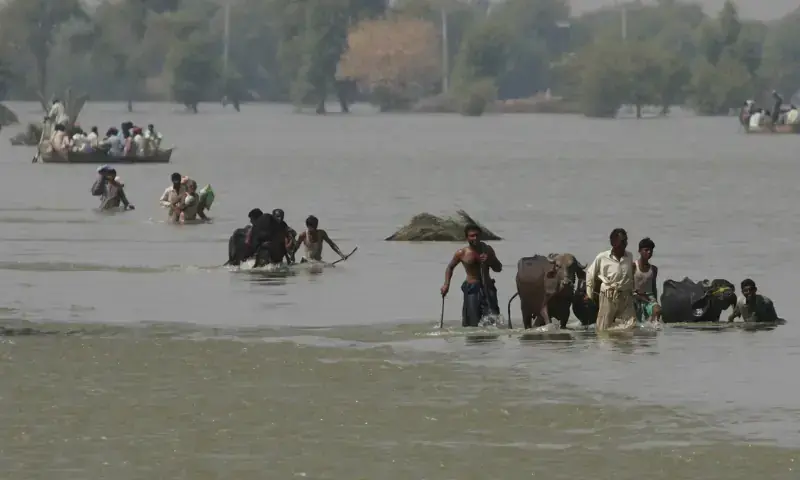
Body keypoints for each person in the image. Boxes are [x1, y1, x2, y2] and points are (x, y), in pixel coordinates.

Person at [440, 224, 502, 327]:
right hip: (472, 289)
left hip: (488, 288)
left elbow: (498, 268)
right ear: (467, 237)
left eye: (477, 235)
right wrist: (446, 285)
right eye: (472, 236)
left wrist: (490, 260)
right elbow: (450, 267)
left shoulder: (487, 250)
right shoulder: (462, 253)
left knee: (493, 320)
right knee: (472, 323)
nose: (475, 238)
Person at [584, 228, 636, 331]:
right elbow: (590, 274)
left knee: (631, 324)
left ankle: (619, 337)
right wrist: (589, 295)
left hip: (625, 296)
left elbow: (630, 276)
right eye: (622, 241)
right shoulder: (602, 257)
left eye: (626, 241)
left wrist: (633, 291)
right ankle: (608, 339)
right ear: (613, 243)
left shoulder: (629, 256)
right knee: (604, 327)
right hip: (608, 295)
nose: (625, 244)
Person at [633, 237, 662, 325]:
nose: (649, 252)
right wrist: (636, 294)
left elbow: (653, 287)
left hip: (649, 298)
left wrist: (656, 302)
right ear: (639, 251)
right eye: (646, 250)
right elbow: (628, 284)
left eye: (651, 250)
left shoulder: (654, 269)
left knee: (657, 310)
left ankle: (652, 329)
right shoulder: (633, 266)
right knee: (634, 322)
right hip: (635, 297)